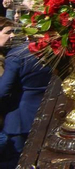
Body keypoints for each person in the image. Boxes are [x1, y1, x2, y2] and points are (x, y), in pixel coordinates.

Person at [0, 28, 50, 169]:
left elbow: (3, 90)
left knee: (19, 161)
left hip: (20, 118)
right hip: (51, 113)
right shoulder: (57, 51)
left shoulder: (18, 54)